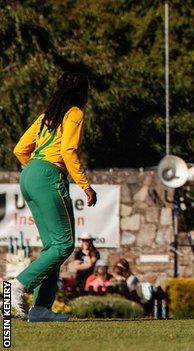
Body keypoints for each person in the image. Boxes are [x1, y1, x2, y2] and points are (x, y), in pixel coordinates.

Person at [10, 72, 97, 322]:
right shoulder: (75, 114)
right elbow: (68, 151)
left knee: (53, 247)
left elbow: (19, 149)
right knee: (64, 244)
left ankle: (40, 310)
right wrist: (85, 185)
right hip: (49, 174)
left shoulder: (46, 116)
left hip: (30, 174)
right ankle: (18, 285)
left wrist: (36, 170)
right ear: (82, 93)